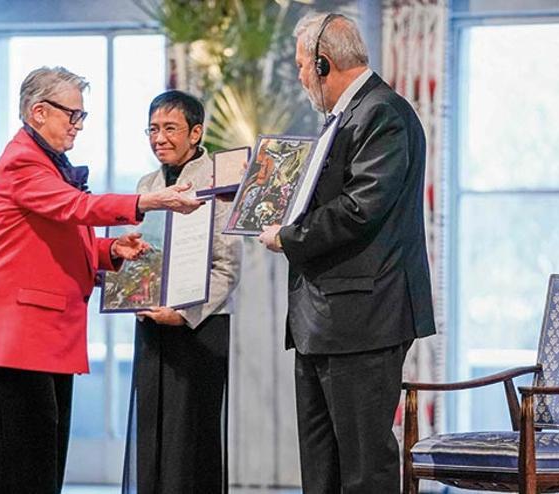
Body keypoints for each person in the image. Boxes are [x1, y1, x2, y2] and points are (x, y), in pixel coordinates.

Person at [0, 66, 202, 494]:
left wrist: (108, 251)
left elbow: (54, 238)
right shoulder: (22, 161)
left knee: (44, 468)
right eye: (72, 115)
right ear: (38, 112)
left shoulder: (48, 164)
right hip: (16, 339)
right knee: (20, 474)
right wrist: (151, 200)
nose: (78, 125)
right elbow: (76, 207)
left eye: (82, 116)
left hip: (45, 337)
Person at [257, 12, 436, 494]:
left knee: (363, 467)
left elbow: (360, 210)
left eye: (300, 66)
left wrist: (286, 236)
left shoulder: (382, 113)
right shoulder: (343, 119)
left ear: (322, 62)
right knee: (322, 469)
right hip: (323, 320)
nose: (299, 78)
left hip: (363, 318)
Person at [128, 90, 243, 494]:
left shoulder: (220, 180)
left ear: (196, 133)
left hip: (200, 329)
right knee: (153, 435)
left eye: (170, 128)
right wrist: (134, 293)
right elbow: (140, 255)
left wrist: (185, 313)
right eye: (153, 129)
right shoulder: (147, 183)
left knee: (191, 439)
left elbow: (227, 267)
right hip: (152, 327)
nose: (159, 138)